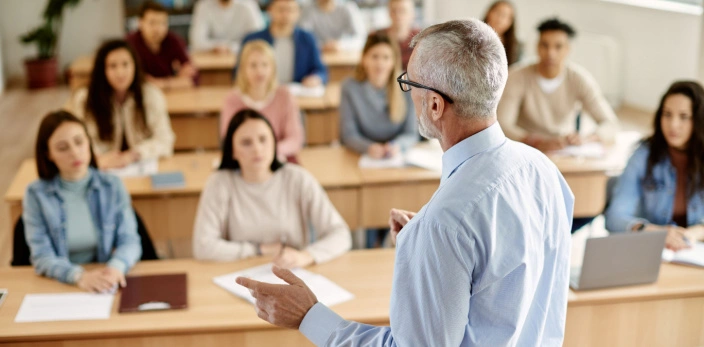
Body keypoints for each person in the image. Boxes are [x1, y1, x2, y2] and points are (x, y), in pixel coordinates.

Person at [237, 19, 574, 346]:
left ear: (435, 104)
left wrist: (308, 316)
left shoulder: (446, 222)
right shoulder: (543, 170)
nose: (406, 93)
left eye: (409, 84)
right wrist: (435, 250)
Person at [193, 109, 351, 267]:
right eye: (246, 143)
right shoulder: (219, 183)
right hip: (240, 272)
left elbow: (340, 234)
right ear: (232, 151)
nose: (257, 149)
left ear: (274, 142)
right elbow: (203, 246)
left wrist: (305, 256)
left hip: (292, 272)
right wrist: (258, 250)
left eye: (263, 139)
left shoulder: (297, 178)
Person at [22, 111, 142, 292]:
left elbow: (130, 240)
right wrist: (79, 277)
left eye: (79, 142)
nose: (75, 152)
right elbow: (42, 257)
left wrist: (115, 267)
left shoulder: (112, 185)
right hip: (61, 282)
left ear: (89, 142)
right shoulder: (36, 194)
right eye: (63, 148)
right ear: (48, 154)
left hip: (105, 279)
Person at [605, 81, 704, 251]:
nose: (673, 124)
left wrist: (692, 234)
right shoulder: (643, 155)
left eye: (683, 116)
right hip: (649, 252)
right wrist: (654, 232)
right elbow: (615, 217)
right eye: (667, 114)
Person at [497, 17, 619, 152]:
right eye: (545, 45)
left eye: (558, 46)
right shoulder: (516, 76)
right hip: (525, 147)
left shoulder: (579, 79)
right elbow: (502, 124)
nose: (551, 53)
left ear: (568, 49)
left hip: (564, 149)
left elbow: (610, 124)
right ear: (537, 47)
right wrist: (534, 141)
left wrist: (586, 139)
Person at [64, 39, 175, 170]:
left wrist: (134, 154)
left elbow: (165, 140)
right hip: (99, 167)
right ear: (102, 70)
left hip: (140, 166)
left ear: (135, 66)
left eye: (125, 64)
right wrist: (98, 158)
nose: (120, 72)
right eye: (113, 66)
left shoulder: (151, 95)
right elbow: (75, 140)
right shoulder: (84, 99)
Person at [221, 40, 304, 160]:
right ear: (243, 69)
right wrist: (254, 154)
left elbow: (295, 140)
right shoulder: (232, 100)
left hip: (279, 159)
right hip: (244, 162)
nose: (259, 71)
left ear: (273, 68)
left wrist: (268, 152)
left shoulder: (285, 96)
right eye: (253, 65)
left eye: (265, 65)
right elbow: (229, 141)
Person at [340, 33, 417, 159]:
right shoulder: (349, 87)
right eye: (374, 57)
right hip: (362, 155)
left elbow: (411, 133)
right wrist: (368, 148)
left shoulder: (407, 85)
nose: (380, 64)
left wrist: (397, 146)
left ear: (394, 61)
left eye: (386, 57)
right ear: (364, 59)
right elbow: (349, 135)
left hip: (396, 155)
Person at [237, 0, 328, 87]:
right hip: (261, 94)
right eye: (281, 10)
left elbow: (320, 70)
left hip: (297, 93)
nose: (285, 15)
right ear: (270, 10)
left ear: (298, 12)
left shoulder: (307, 39)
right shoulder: (252, 39)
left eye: (290, 10)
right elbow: (238, 72)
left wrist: (316, 78)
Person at [126, 1, 197, 89]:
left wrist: (161, 83)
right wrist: (176, 81)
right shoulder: (130, 44)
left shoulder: (173, 41)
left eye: (162, 23)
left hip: (172, 96)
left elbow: (193, 78)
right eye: (152, 23)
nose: (157, 28)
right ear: (140, 23)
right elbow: (133, 81)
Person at [189, 0, 264, 54]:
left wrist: (230, 48)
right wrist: (216, 47)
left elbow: (258, 40)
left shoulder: (249, 5)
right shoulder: (203, 5)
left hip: (243, 59)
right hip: (211, 60)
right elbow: (196, 41)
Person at [299, 0, 366, 52]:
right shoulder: (308, 10)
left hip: (345, 57)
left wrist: (340, 45)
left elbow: (361, 38)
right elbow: (302, 38)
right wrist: (322, 46)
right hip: (318, 56)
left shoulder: (348, 8)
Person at [373, 0, 420, 70]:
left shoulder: (420, 38)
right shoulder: (377, 37)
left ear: (412, 13)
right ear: (388, 13)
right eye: (394, 10)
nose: (398, 15)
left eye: (402, 10)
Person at [482, 0, 522, 65]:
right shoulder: (470, 37)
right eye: (498, 13)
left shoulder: (517, 48)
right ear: (488, 13)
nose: (499, 19)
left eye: (505, 16)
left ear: (511, 22)